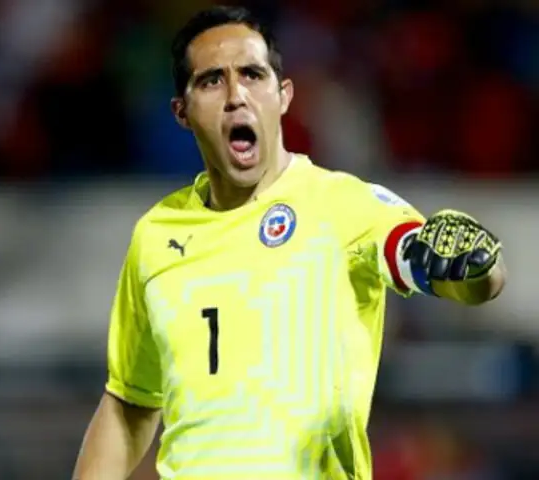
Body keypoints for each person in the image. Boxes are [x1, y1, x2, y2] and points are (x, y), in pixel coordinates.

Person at [72, 5, 506, 480]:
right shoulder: (157, 234)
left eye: (253, 75)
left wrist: (474, 265)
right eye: (213, 80)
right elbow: (130, 401)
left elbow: (450, 272)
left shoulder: (343, 204)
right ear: (182, 111)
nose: (237, 95)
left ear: (283, 96)